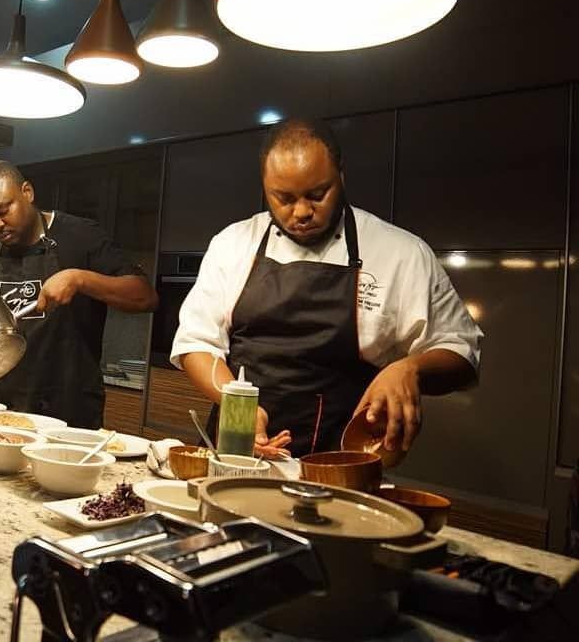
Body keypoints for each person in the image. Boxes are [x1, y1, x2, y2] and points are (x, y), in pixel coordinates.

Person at [172, 118, 482, 458]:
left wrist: (411, 369)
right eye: (283, 198)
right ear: (264, 188)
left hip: (338, 468)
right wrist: (237, 404)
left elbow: (460, 350)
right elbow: (197, 342)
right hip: (235, 457)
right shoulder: (232, 244)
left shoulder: (400, 253)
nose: (302, 211)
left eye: (318, 194)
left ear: (341, 177)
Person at [0, 161, 157, 428]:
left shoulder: (81, 236)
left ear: (27, 192)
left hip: (69, 414)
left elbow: (145, 296)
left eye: (3, 211)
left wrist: (80, 279)